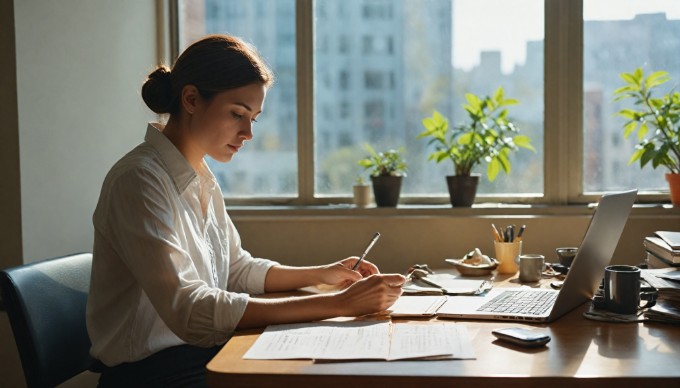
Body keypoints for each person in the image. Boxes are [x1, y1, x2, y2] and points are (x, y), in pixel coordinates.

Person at [86, 34, 406, 387]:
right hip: (153, 375)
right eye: (237, 113)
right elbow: (188, 309)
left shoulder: (200, 178)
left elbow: (236, 270)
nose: (248, 133)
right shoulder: (139, 181)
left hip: (201, 356)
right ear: (191, 99)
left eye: (253, 117)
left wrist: (322, 274)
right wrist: (338, 305)